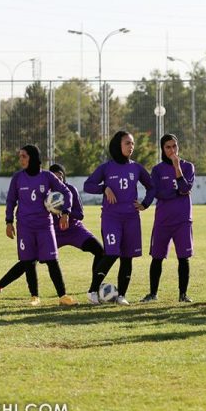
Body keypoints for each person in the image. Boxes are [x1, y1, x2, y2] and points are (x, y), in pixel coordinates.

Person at [0, 163, 104, 296]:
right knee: (28, 260)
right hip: (52, 231)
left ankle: (95, 287)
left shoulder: (70, 190)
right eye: (55, 178)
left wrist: (63, 211)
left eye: (61, 177)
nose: (59, 180)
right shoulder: (44, 194)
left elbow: (80, 215)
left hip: (74, 229)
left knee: (100, 251)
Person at [83, 131, 155, 305]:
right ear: (118, 145)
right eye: (127, 143)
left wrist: (145, 204)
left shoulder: (136, 168)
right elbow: (88, 185)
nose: (131, 147)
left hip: (131, 218)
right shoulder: (106, 167)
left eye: (132, 143)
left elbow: (151, 187)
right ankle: (92, 291)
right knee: (112, 253)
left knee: (127, 257)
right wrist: (104, 188)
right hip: (111, 218)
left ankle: (121, 295)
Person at [4, 145, 77, 306]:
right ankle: (34, 296)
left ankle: (63, 296)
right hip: (24, 226)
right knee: (28, 261)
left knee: (52, 260)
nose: (21, 159)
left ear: (32, 157)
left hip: (45, 225)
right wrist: (9, 222)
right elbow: (10, 201)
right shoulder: (17, 178)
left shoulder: (47, 176)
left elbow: (67, 192)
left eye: (24, 156)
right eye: (20, 156)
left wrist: (65, 212)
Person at [140, 134, 196, 303]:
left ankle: (183, 294)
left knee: (183, 258)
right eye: (168, 147)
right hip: (163, 220)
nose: (172, 150)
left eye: (174, 146)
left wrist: (177, 167)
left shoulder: (188, 167)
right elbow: (158, 192)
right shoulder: (157, 170)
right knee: (157, 257)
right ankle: (153, 294)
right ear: (162, 149)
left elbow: (186, 187)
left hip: (183, 219)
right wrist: (178, 192)